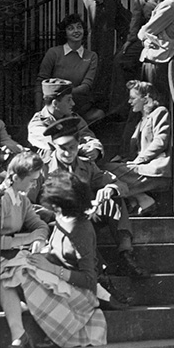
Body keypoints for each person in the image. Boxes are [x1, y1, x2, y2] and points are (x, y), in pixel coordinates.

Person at [0, 169, 107, 348]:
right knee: (11, 269)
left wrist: (50, 268)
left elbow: (89, 280)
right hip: (58, 281)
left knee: (18, 272)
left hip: (80, 293)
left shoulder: (82, 230)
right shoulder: (62, 217)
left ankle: (23, 330)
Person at [43, 116, 147, 277]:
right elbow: (30, 206)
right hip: (58, 225)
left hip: (86, 218)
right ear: (53, 145)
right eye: (63, 147)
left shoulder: (86, 165)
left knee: (115, 201)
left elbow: (120, 185)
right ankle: (102, 275)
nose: (68, 152)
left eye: (72, 147)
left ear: (79, 145)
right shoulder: (43, 168)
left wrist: (110, 189)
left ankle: (126, 255)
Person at [0, 151, 50, 348]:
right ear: (15, 177)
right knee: (24, 271)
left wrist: (39, 238)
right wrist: (27, 239)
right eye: (31, 180)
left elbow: (40, 226)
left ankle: (19, 335)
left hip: (9, 257)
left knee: (13, 276)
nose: (34, 185)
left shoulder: (22, 200)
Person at [106, 80, 172, 217]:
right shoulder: (141, 119)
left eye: (133, 98)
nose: (129, 102)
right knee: (104, 170)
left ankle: (139, 200)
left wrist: (139, 160)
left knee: (106, 171)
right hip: (143, 167)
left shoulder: (160, 112)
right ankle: (142, 199)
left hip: (154, 169)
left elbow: (161, 141)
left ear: (145, 99)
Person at [35, 13, 104, 123]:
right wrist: (40, 110)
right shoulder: (54, 53)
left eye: (79, 27)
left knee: (98, 115)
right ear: (65, 33)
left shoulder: (91, 56)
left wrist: (63, 94)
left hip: (79, 106)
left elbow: (86, 86)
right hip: (55, 106)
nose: (76, 31)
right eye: (70, 28)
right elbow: (41, 81)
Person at [27, 78, 103, 163]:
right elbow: (52, 142)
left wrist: (95, 149)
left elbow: (87, 135)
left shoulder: (73, 118)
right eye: (68, 100)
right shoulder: (37, 122)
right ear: (55, 103)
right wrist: (77, 148)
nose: (73, 103)